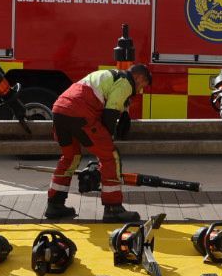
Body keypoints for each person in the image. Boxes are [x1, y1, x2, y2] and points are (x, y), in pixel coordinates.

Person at [46, 64, 152, 223]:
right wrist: (108, 139)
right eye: (143, 84)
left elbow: (103, 99)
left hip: (60, 110)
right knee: (110, 156)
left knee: (71, 157)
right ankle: (113, 208)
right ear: (137, 77)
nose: (141, 89)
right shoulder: (126, 82)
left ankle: (54, 204)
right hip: (79, 112)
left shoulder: (108, 74)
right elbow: (110, 113)